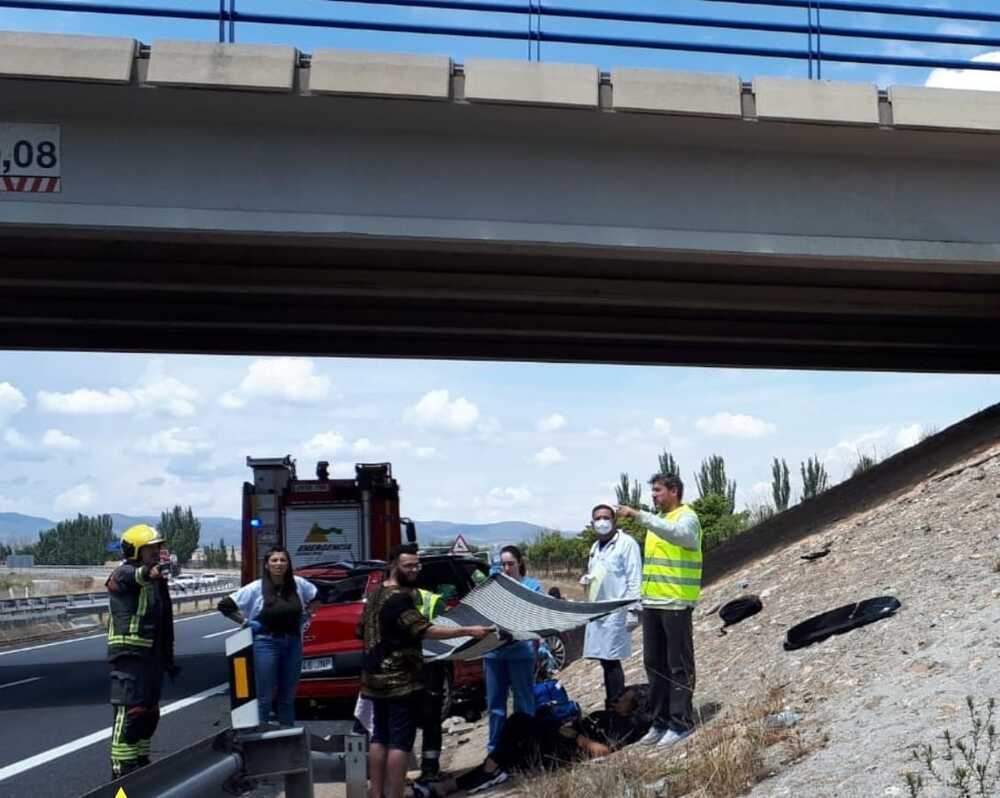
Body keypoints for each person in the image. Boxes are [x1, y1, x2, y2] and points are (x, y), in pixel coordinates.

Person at [360, 543, 494, 798]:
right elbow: (426, 631)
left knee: (379, 736)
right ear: (393, 566)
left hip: (372, 678)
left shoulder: (375, 595)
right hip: (400, 680)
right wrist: (469, 630)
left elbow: (359, 630)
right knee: (399, 741)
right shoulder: (400, 598)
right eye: (408, 565)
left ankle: (377, 794)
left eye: (416, 564)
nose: (414, 569)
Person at [414, 685, 652, 796]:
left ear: (635, 705)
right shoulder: (611, 715)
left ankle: (466, 780)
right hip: (564, 738)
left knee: (519, 723)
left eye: (624, 696)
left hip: (568, 748)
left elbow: (603, 751)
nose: (618, 697)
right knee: (517, 740)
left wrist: (577, 738)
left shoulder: (625, 727)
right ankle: (455, 784)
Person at [617, 473, 702, 748]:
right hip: (653, 603)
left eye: (657, 490)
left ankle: (681, 722)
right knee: (654, 664)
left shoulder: (686, 517)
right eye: (652, 491)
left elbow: (682, 537)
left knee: (678, 665)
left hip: (676, 602)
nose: (653, 496)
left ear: (674, 491)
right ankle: (660, 721)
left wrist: (640, 516)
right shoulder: (659, 522)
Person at [106, 524, 180, 778]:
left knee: (148, 714)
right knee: (130, 713)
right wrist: (151, 572)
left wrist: (168, 657)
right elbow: (134, 576)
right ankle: (121, 773)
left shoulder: (156, 581)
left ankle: (140, 762)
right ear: (135, 549)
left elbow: (165, 622)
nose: (157, 552)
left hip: (152, 656)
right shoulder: (123, 574)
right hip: (129, 656)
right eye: (151, 548)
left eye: (158, 548)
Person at [217, 546, 318, 727]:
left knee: (287, 697)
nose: (279, 564)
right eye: (274, 560)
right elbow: (225, 605)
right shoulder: (256, 588)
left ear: (288, 564)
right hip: (266, 643)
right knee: (265, 695)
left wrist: (308, 613)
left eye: (283, 560)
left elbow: (318, 596)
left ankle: (288, 737)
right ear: (266, 565)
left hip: (293, 643)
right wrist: (246, 623)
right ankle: (260, 738)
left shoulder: (299, 584)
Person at [580, 503, 642, 708]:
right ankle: (613, 703)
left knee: (612, 660)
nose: (602, 522)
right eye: (597, 518)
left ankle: (617, 705)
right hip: (599, 611)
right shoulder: (594, 548)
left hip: (618, 611)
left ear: (614, 521)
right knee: (605, 661)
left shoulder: (626, 543)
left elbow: (634, 577)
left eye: (606, 517)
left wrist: (634, 609)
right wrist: (587, 581)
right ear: (592, 523)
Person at [483, 544, 543, 753]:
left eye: (510, 563)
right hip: (494, 653)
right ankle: (495, 751)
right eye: (503, 564)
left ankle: (526, 748)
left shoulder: (531, 586)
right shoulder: (493, 586)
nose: (506, 568)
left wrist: (536, 652)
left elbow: (535, 619)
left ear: (520, 564)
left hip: (521, 653)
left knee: (524, 703)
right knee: (496, 706)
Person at [415, 587, 447, 782]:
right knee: (431, 720)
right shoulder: (434, 601)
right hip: (429, 667)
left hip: (413, 668)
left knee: (424, 720)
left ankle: (428, 769)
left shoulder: (389, 599)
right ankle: (430, 770)